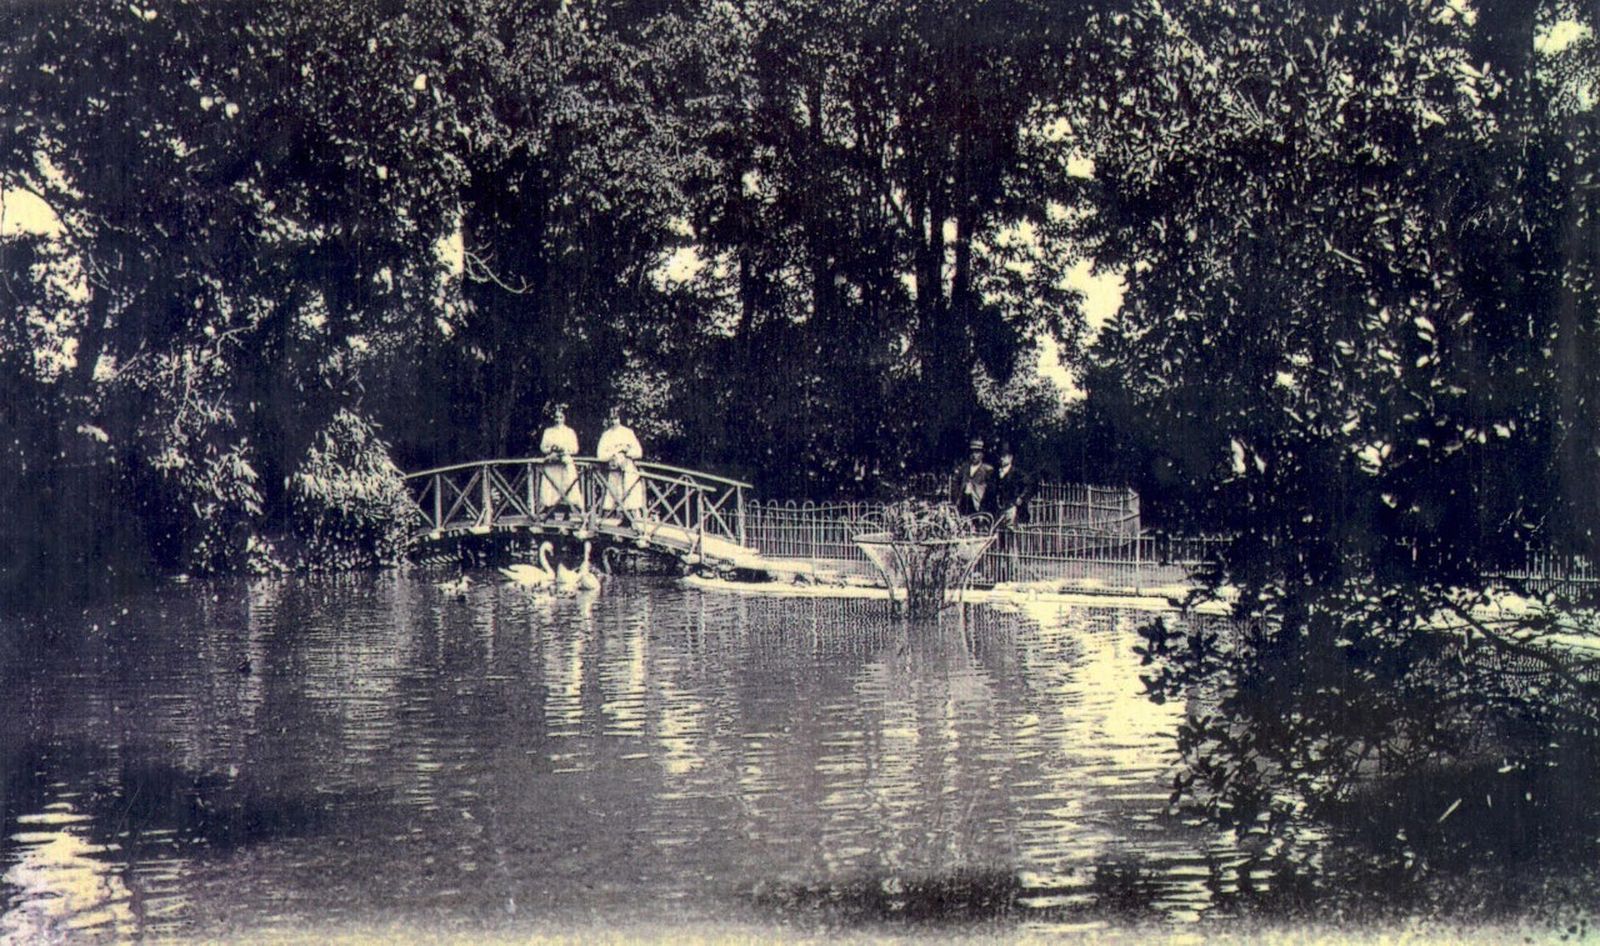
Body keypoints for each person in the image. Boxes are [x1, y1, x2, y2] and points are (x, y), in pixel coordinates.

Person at [596, 407, 645, 523]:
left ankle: (636, 522)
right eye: (612, 419)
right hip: (614, 470)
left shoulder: (628, 432)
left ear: (620, 419)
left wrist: (626, 451)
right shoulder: (606, 435)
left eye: (616, 418)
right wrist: (613, 453)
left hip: (627, 469)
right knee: (613, 494)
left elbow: (638, 452)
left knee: (630, 494)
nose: (614, 421)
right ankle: (610, 520)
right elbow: (600, 455)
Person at [537, 404, 582, 515]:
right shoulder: (548, 431)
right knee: (551, 484)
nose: (558, 420)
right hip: (552, 462)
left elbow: (575, 449)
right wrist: (551, 449)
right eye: (556, 417)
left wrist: (564, 450)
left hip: (564, 461)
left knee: (566, 484)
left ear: (564, 418)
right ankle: (549, 508)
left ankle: (568, 507)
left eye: (560, 417)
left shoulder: (569, 432)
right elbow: (543, 447)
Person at [991, 442, 1033, 528]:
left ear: (1010, 458)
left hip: (1012, 506)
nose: (1001, 459)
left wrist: (1021, 497)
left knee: (1010, 529)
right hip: (999, 508)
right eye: (1000, 456)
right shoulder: (995, 473)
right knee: (998, 529)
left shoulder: (1017, 473)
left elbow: (1028, 485)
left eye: (1004, 456)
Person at [951, 438, 994, 518]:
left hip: (980, 507)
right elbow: (956, 484)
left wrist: (975, 488)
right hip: (963, 506)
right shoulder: (964, 468)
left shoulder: (988, 470)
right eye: (972, 452)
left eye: (977, 452)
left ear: (982, 454)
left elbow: (990, 490)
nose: (974, 455)